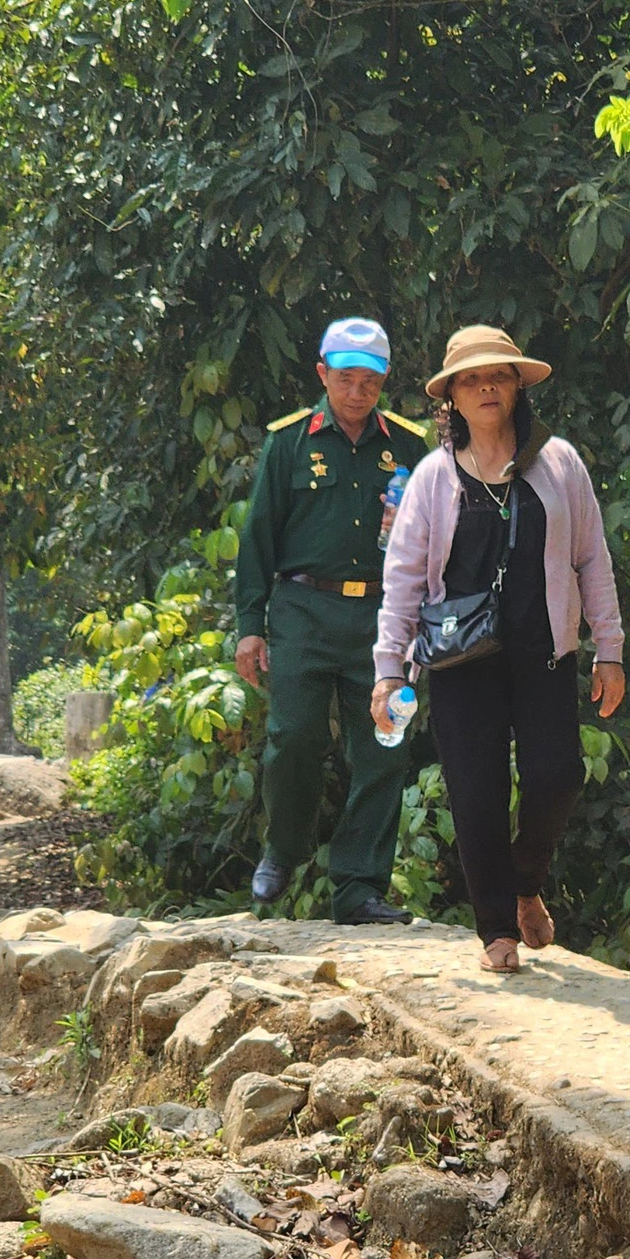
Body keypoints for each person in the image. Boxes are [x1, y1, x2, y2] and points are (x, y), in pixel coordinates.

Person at [374, 327, 625, 972]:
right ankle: (495, 929)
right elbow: (402, 578)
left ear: (517, 387)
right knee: (475, 793)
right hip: (460, 662)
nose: (487, 386)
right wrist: (387, 671)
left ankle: (526, 884)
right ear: (451, 398)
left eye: (500, 375)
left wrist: (610, 649)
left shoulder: (559, 463)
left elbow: (592, 559)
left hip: (545, 652)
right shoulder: (433, 477)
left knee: (556, 777)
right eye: (471, 378)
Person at [234, 317, 429, 924]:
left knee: (385, 749)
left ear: (384, 383)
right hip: (302, 611)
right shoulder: (290, 441)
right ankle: (284, 849)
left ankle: (359, 887)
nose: (357, 393)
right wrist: (249, 625)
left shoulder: (409, 445)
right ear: (323, 375)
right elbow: (257, 536)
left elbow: (431, 538)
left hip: (384, 618)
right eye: (345, 379)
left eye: (370, 382)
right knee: (294, 738)